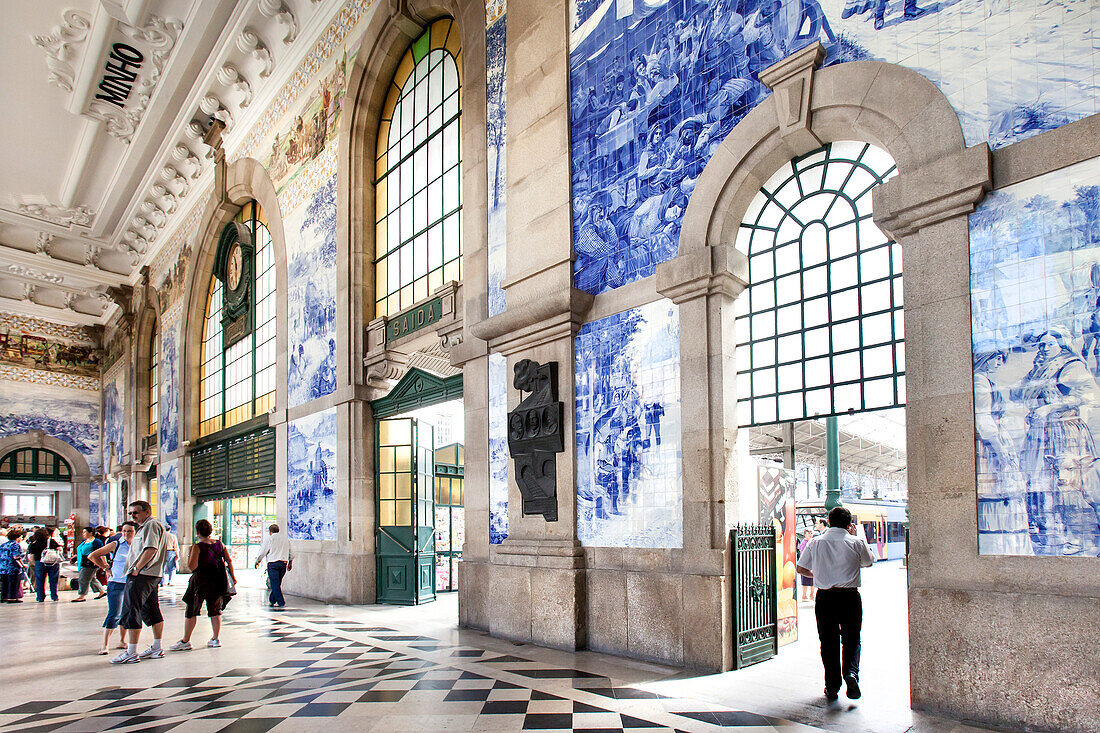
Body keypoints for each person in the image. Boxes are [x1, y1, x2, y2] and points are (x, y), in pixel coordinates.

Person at [796, 506, 875, 702]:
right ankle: (851, 673)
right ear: (849, 525)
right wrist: (858, 537)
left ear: (829, 521)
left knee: (828, 642)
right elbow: (868, 562)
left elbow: (801, 567)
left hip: (825, 598)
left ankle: (832, 686)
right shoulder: (855, 542)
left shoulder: (815, 542)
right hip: (850, 598)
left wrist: (818, 575)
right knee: (852, 639)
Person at [111, 501, 167, 664]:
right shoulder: (145, 527)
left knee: (132, 609)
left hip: (143, 574)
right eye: (130, 513)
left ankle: (131, 651)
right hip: (149, 574)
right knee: (150, 609)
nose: (132, 516)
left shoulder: (151, 526)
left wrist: (136, 567)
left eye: (135, 512)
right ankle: (156, 648)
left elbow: (151, 548)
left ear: (147, 512)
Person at [170, 519, 235, 651]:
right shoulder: (219, 544)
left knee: (192, 609)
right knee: (215, 610)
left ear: (197, 532)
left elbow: (192, 566)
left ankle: (185, 640)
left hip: (200, 581)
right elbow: (228, 560)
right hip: (217, 581)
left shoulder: (197, 547)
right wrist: (233, 577)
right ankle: (215, 638)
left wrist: (190, 555)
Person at [89, 522, 137, 655]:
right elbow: (93, 555)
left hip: (131, 583)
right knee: (114, 613)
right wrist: (105, 568)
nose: (126, 534)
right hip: (116, 582)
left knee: (127, 612)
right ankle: (104, 644)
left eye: (130, 531)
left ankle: (122, 640)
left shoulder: (138, 546)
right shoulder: (115, 544)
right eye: (124, 531)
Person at [254, 523, 291, 608]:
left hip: (273, 563)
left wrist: (258, 560)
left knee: (274, 583)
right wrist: (290, 562)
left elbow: (263, 551)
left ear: (270, 532)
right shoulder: (286, 539)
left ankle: (281, 602)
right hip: (283, 563)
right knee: (277, 583)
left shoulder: (270, 539)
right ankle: (272, 600)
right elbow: (290, 550)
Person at [27, 527, 62, 602]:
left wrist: (35, 564)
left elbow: (31, 557)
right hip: (52, 563)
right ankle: (54, 596)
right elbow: (59, 549)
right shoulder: (51, 542)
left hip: (39, 563)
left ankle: (40, 597)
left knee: (39, 580)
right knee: (53, 579)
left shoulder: (33, 544)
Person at [73, 527, 106, 602]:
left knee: (83, 579)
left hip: (90, 563)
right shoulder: (85, 541)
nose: (83, 534)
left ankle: (82, 595)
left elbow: (101, 552)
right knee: (91, 578)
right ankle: (101, 591)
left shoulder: (96, 542)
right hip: (82, 562)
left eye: (85, 532)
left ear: (90, 533)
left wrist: (104, 563)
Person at [0, 528, 25, 603]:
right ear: (17, 538)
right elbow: (16, 556)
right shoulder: (15, 545)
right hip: (12, 567)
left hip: (3, 567)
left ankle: (4, 597)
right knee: (13, 582)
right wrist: (22, 565)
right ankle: (12, 598)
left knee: (4, 583)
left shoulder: (3, 545)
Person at [797, 528, 815, 601]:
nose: (810, 535)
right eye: (808, 533)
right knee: (805, 581)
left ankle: (812, 594)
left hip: (812, 564)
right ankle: (804, 595)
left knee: (813, 580)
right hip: (805, 564)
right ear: (805, 535)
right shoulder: (804, 543)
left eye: (811, 533)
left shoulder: (812, 542)